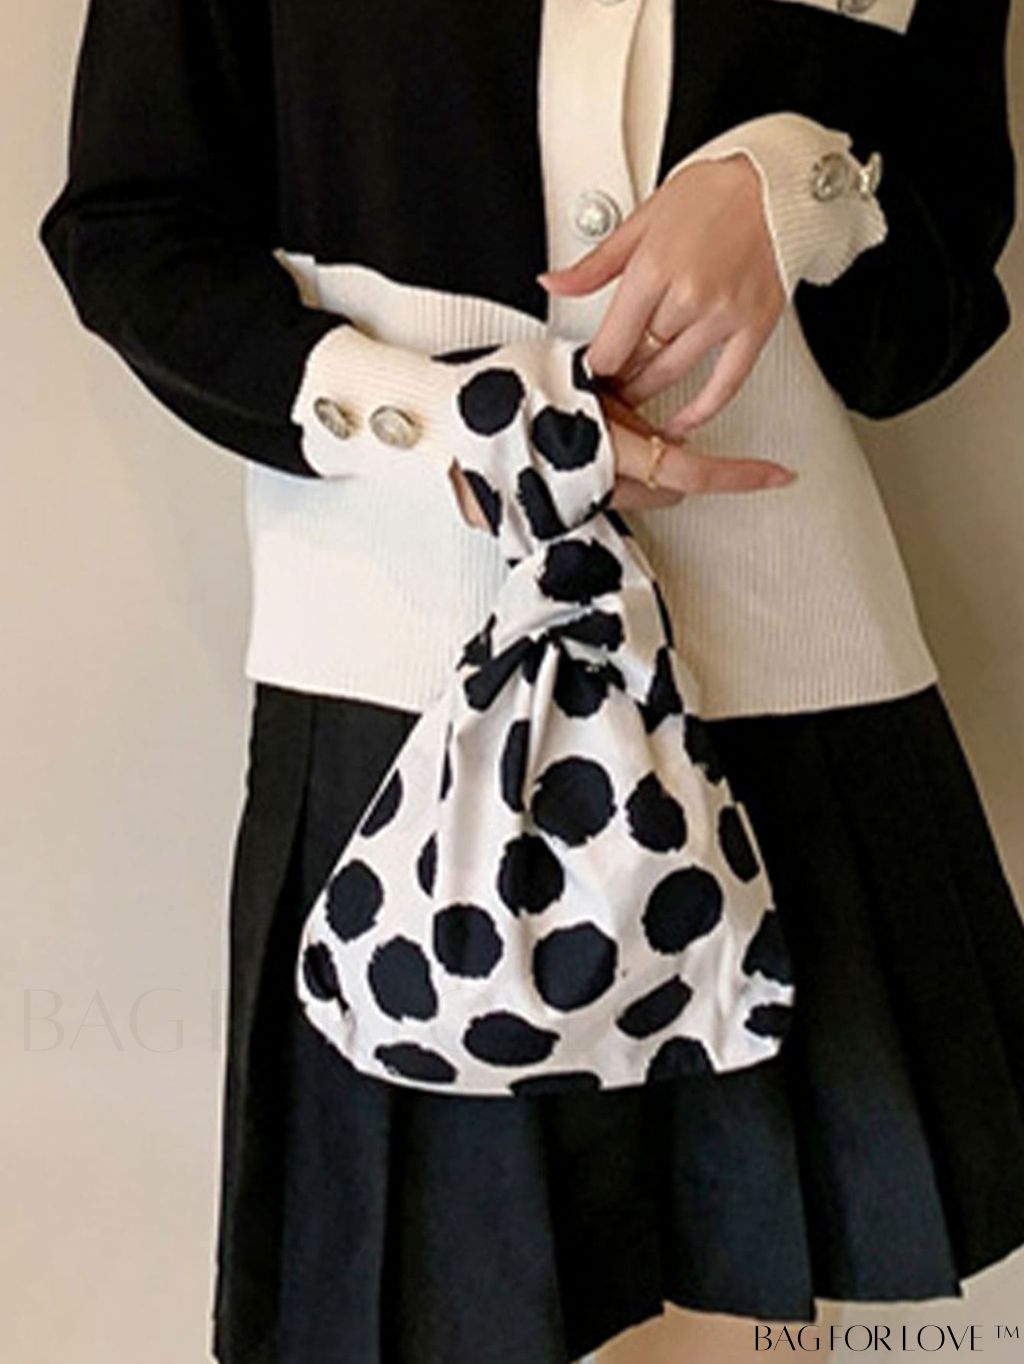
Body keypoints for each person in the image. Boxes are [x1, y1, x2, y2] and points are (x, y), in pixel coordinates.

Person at [38, 1, 1024, 1361]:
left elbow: (918, 323)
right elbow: (133, 225)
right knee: (430, 1307)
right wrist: (437, 418)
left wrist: (794, 187)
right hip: (408, 713)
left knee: (774, 1277)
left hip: (794, 686)